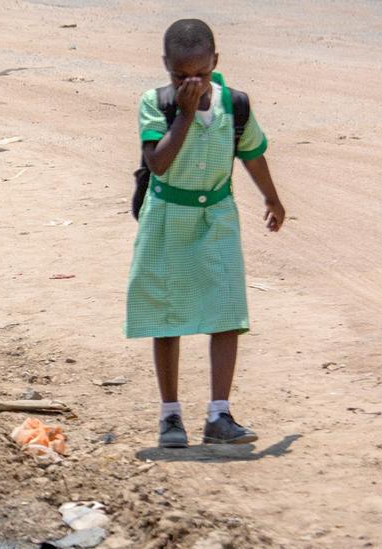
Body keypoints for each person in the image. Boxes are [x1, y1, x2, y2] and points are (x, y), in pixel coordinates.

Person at [125, 18, 285, 448]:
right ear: (165, 67)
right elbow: (158, 163)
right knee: (166, 313)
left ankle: (219, 413)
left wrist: (271, 197)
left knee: (227, 311)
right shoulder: (155, 103)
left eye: (200, 74)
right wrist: (185, 113)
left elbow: (251, 153)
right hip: (166, 216)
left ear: (216, 61)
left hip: (217, 216)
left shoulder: (236, 105)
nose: (191, 82)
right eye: (180, 76)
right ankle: (170, 416)